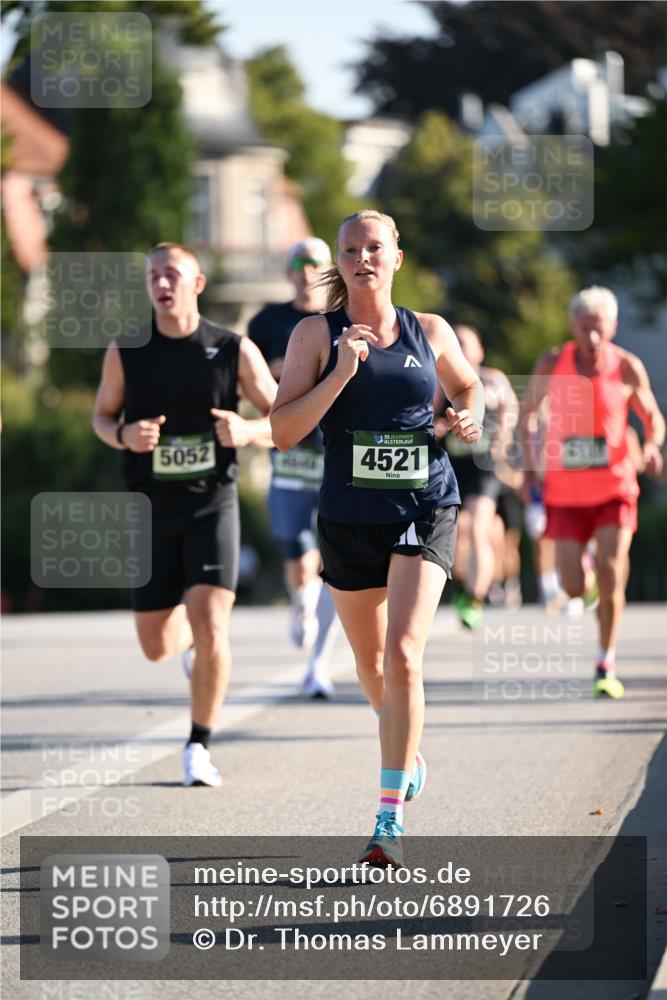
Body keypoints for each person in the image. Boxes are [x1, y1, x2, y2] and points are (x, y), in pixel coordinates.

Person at [270, 210, 484, 865]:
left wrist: (465, 412)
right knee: (370, 669)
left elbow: (466, 383)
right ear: (339, 260)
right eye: (351, 248)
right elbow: (281, 431)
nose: (363, 257)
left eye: (374, 247)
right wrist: (339, 373)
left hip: (424, 504)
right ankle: (403, 745)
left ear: (395, 255)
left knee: (403, 657)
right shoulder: (314, 333)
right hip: (347, 519)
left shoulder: (432, 330)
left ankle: (387, 819)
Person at [92, 242, 277, 786]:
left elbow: (285, 419)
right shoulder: (127, 350)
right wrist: (123, 434)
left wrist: (247, 431)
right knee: (154, 646)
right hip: (151, 509)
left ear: (196, 284)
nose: (161, 283)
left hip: (211, 504)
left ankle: (199, 744)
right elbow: (101, 417)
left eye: (172, 273)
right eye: (153, 275)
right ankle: (191, 641)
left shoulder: (232, 350)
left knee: (213, 621)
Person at [521, 286, 664, 698]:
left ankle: (606, 660)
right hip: (565, 492)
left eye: (600, 329)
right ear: (574, 327)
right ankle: (584, 571)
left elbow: (653, 418)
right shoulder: (553, 363)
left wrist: (651, 446)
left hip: (615, 488)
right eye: (585, 329)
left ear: (613, 327)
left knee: (612, 570)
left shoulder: (628, 366)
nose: (593, 339)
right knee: (573, 588)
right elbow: (527, 415)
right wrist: (530, 466)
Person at [248, 238, 339, 698]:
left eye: (315, 264)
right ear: (288, 272)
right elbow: (251, 381)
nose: (306, 271)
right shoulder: (266, 322)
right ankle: (300, 601)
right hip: (288, 448)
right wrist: (280, 368)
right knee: (299, 555)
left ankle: (319, 665)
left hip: (337, 449)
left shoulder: (342, 319)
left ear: (328, 271)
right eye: (298, 264)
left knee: (337, 555)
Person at [434, 325, 521, 629]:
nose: (462, 348)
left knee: (478, 528)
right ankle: (463, 585)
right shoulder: (440, 380)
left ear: (480, 350)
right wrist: (438, 427)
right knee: (459, 533)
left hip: (485, 467)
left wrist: (502, 442)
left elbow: (511, 411)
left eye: (467, 344)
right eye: (456, 343)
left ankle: (475, 598)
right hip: (453, 467)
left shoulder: (494, 381)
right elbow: (430, 419)